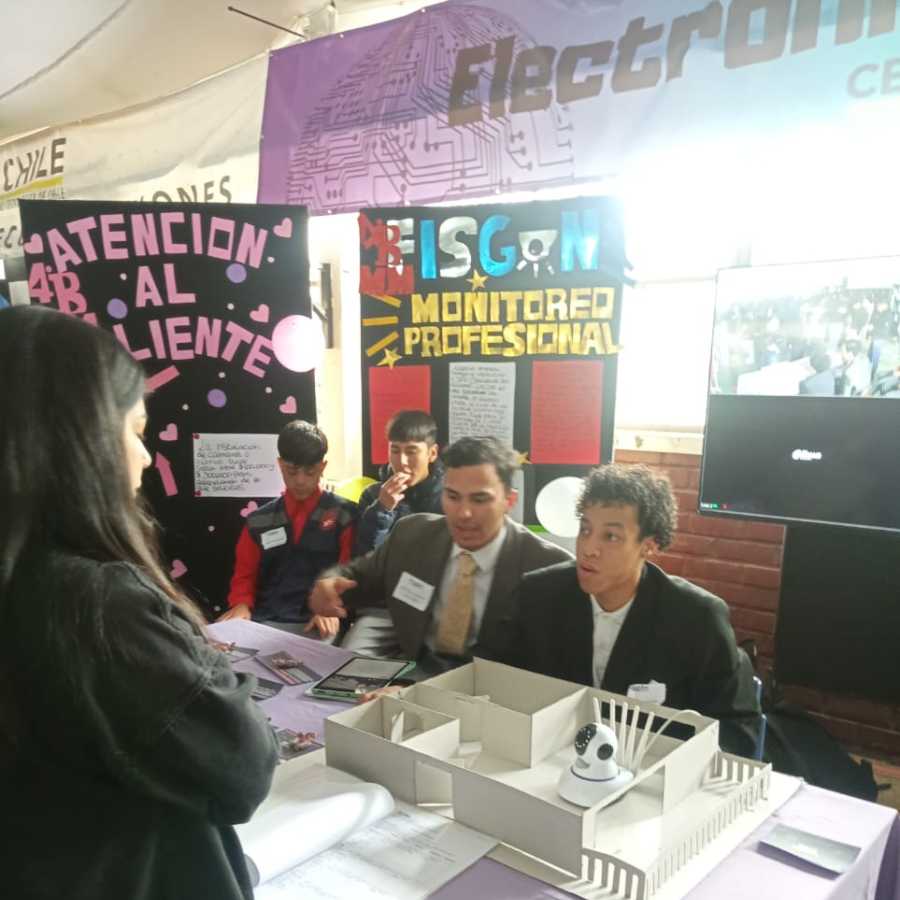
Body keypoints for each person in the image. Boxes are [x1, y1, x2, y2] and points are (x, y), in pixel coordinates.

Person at [0, 306, 278, 900]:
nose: (147, 458)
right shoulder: (99, 603)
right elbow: (244, 767)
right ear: (79, 441)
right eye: (136, 431)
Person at [502, 464, 760, 757]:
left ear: (648, 546)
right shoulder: (539, 595)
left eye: (610, 536)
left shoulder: (696, 618)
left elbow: (738, 732)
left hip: (653, 769)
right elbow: (500, 684)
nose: (588, 548)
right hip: (551, 759)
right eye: (585, 529)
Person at [310, 436, 571, 674]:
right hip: (415, 672)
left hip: (495, 693)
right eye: (453, 497)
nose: (463, 513)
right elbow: (359, 576)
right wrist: (330, 586)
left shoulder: (549, 568)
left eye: (479, 499)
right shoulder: (413, 534)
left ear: (509, 501)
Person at [219, 420, 358, 639]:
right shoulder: (258, 521)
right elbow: (244, 575)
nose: (300, 481)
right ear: (280, 464)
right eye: (292, 471)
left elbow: (348, 572)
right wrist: (241, 604)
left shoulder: (345, 515)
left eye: (310, 472)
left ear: (322, 467)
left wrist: (331, 608)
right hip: (265, 619)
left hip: (318, 621)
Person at [354, 409, 444, 555]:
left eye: (411, 452)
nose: (402, 461)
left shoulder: (449, 497)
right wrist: (381, 510)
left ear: (432, 453)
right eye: (395, 451)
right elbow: (365, 556)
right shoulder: (373, 495)